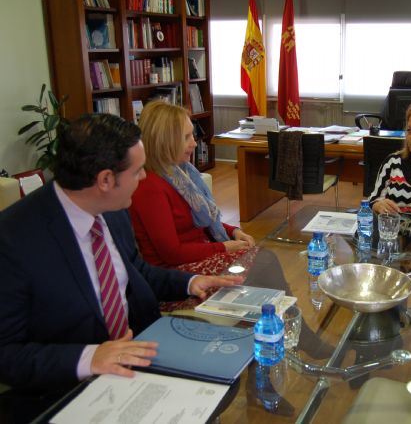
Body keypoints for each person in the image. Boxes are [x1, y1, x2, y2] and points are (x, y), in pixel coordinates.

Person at [0, 113, 243, 393]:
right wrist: (90, 357)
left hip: (145, 346)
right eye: (137, 170)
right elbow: (6, 354)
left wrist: (188, 282)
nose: (144, 176)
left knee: (230, 379)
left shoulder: (112, 209)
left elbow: (134, 270)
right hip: (71, 386)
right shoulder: (13, 241)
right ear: (105, 180)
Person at [129, 100, 255, 275]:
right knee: (259, 265)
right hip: (174, 272)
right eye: (186, 137)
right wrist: (224, 247)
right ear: (165, 141)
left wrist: (233, 231)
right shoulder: (149, 186)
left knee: (260, 262)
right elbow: (172, 253)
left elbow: (202, 222)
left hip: (198, 255)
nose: (194, 144)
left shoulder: (181, 173)